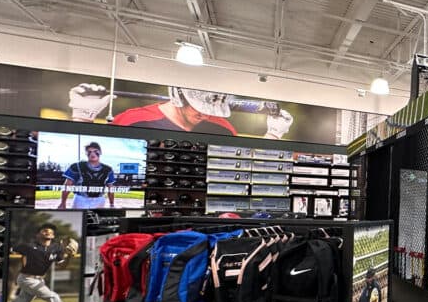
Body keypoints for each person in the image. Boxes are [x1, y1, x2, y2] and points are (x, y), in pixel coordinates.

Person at [68, 83, 293, 139]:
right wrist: (82, 117)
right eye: (199, 108)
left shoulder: (222, 127)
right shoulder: (133, 121)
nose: (205, 114)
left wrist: (273, 135)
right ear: (178, 96)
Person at [7, 223, 78, 302]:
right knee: (53, 297)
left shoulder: (56, 248)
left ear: (53, 236)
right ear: (37, 235)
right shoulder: (28, 246)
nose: (48, 232)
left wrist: (68, 256)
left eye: (51, 231)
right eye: (44, 230)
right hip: (27, 279)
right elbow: (10, 251)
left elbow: (62, 266)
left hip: (39, 280)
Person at [58, 142, 115, 209]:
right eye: (89, 152)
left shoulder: (108, 169)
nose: (92, 154)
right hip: (81, 199)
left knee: (97, 218)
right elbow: (67, 185)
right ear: (86, 154)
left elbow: (110, 188)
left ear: (100, 152)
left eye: (95, 151)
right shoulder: (77, 166)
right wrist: (63, 202)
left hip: (99, 200)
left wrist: (112, 204)